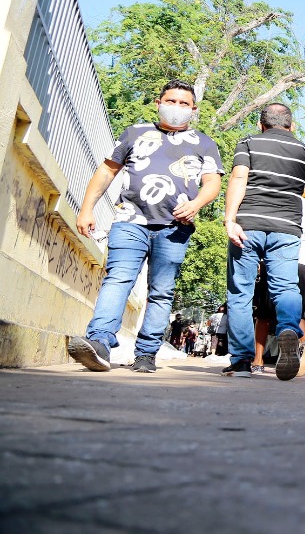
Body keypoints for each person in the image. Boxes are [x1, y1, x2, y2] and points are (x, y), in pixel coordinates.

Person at [67, 79, 223, 374]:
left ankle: (147, 353)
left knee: (161, 292)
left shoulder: (204, 143)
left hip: (175, 228)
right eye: (171, 101)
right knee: (118, 279)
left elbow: (213, 182)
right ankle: (99, 342)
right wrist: (86, 208)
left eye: (184, 104)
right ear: (159, 103)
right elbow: (106, 171)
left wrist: (196, 204)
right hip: (129, 220)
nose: (176, 108)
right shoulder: (136, 133)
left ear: (194, 109)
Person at [221, 103, 305, 380]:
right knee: (285, 287)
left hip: (247, 225)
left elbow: (238, 177)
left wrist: (229, 219)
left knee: (241, 294)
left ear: (261, 124)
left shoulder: (248, 142)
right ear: (291, 126)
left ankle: (242, 362)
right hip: (287, 230)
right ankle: (289, 329)